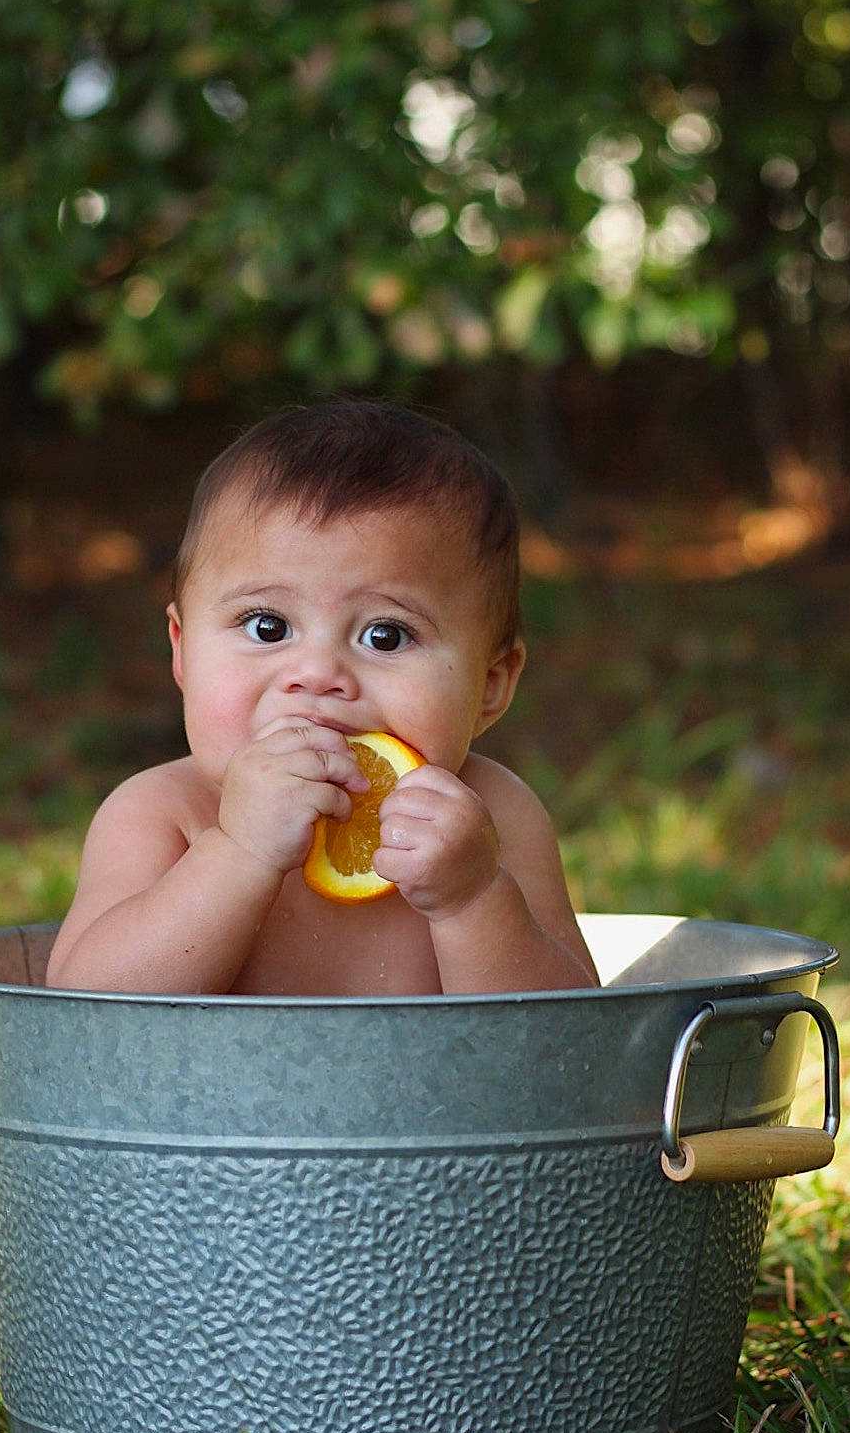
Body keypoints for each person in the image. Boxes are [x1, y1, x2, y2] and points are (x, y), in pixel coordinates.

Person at [46, 401, 600, 996]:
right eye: (267, 627)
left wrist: (475, 900)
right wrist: (239, 854)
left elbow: (569, 1033)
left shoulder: (494, 820)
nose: (317, 674)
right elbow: (86, 1006)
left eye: (385, 636)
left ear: (491, 684)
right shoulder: (160, 814)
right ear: (182, 650)